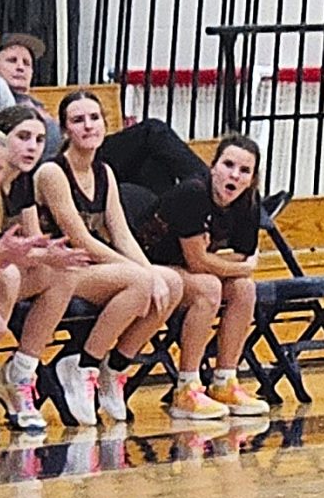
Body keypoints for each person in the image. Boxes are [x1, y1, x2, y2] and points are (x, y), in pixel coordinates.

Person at [34, 88, 181, 426]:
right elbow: (81, 239)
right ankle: (81, 364)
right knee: (143, 282)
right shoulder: (53, 173)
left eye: (94, 118)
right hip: (60, 271)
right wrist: (141, 273)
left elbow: (122, 235)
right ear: (66, 129)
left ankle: (113, 367)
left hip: (93, 268)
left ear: (105, 123)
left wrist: (149, 270)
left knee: (170, 283)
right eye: (78, 120)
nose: (88, 125)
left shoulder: (105, 172)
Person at [140, 135, 269, 419]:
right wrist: (237, 266)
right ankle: (186, 388)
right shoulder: (194, 193)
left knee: (244, 289)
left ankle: (225, 381)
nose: (234, 174)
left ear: (252, 178)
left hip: (187, 268)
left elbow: (241, 253)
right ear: (213, 167)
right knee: (210, 286)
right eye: (228, 164)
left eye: (244, 170)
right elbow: (199, 262)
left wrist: (226, 263)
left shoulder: (248, 201)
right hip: (151, 266)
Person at [0, 105, 80, 435]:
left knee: (62, 273)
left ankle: (21, 372)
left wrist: (46, 253)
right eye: (23, 137)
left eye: (38, 139)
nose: (33, 146)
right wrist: (20, 254)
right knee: (8, 275)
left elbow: (32, 244)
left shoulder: (21, 183)